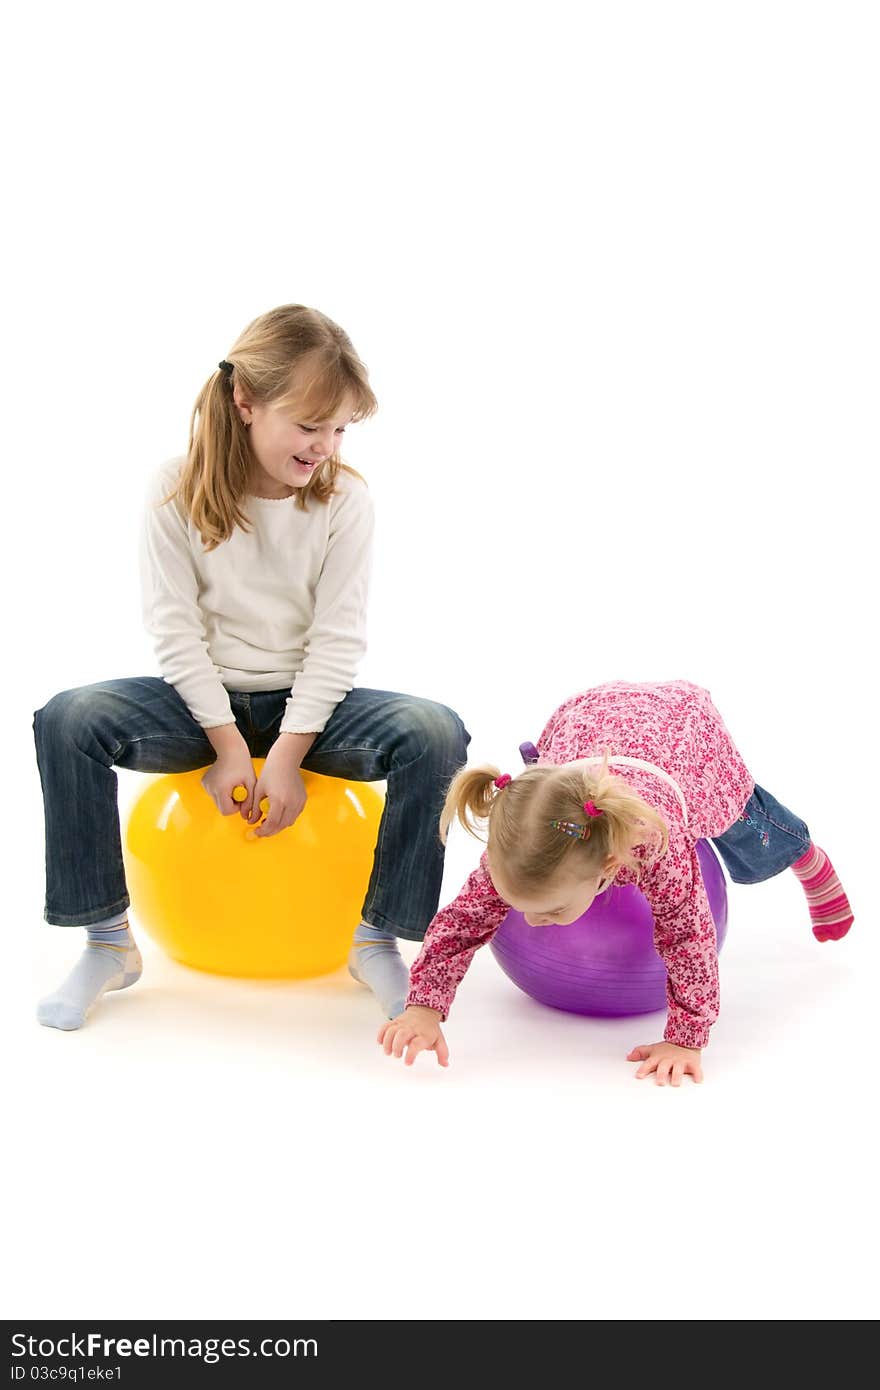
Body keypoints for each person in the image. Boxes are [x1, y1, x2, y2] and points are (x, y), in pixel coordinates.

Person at [34, 303, 469, 1030]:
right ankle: (108, 940)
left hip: (311, 706)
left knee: (434, 730)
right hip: (199, 703)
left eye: (340, 428)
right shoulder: (175, 489)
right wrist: (229, 744)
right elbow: (174, 632)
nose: (325, 446)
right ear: (246, 401)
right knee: (68, 717)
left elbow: (337, 642)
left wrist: (288, 755)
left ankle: (375, 937)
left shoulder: (346, 502)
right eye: (309, 425)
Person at [378, 680, 853, 1084]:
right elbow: (463, 922)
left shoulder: (658, 848)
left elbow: (688, 937)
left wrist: (685, 1039)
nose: (531, 922)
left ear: (608, 866)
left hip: (681, 732)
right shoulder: (522, 845)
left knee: (743, 822)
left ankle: (808, 859)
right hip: (592, 719)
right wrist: (425, 1005)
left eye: (553, 910)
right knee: (543, 826)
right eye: (519, 905)